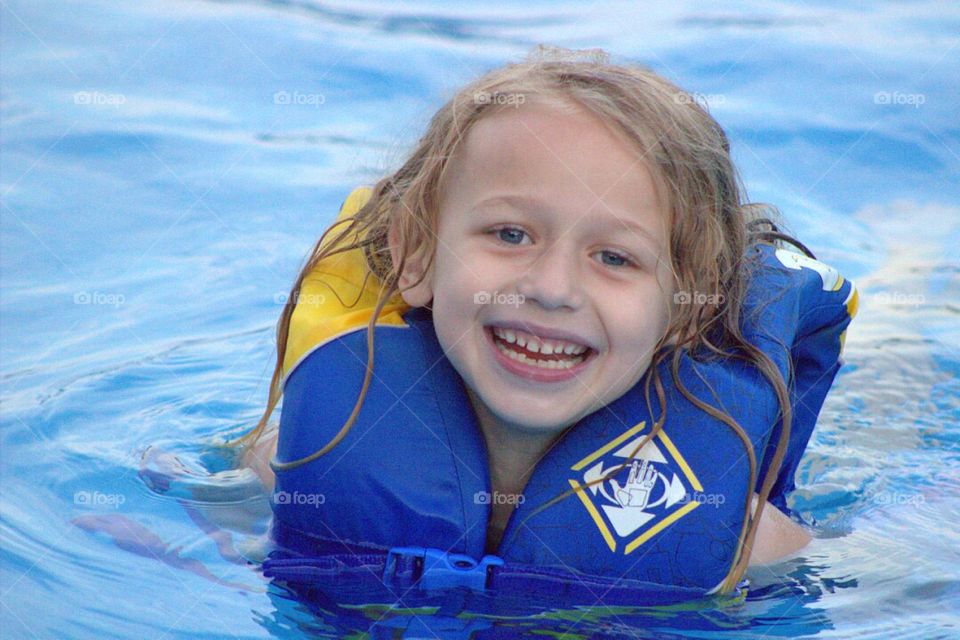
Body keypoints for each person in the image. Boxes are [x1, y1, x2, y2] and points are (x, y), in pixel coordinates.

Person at [227, 45, 856, 597]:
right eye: (510, 233)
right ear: (416, 253)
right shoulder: (293, 463)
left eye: (615, 257)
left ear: (689, 305)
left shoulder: (737, 537)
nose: (553, 289)